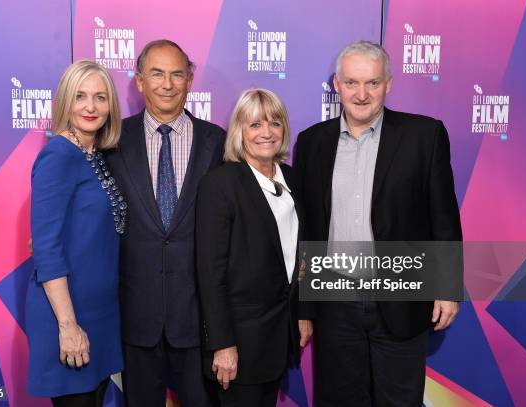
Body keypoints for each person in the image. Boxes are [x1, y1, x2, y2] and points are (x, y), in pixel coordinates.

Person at [294, 40, 462, 406]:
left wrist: (447, 286)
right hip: (335, 300)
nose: (361, 93)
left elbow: (444, 217)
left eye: (372, 83)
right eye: (352, 82)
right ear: (336, 85)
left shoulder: (424, 136)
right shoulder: (311, 143)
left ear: (389, 84)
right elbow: (307, 231)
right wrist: (304, 307)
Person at [104, 39, 225, 406]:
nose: (167, 84)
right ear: (139, 81)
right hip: (136, 317)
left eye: (176, 74)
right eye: (156, 74)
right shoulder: (112, 140)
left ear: (190, 79)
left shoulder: (217, 142)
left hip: (198, 318)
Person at [196, 88, 313, 407]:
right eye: (255, 125)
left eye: (274, 123)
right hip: (239, 342)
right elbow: (210, 274)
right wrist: (222, 345)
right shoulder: (220, 185)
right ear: (239, 132)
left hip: (280, 337)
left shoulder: (291, 178)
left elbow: (299, 252)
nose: (266, 132)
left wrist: (303, 313)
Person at [26, 59, 124, 406]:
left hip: (99, 315)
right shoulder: (58, 155)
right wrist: (68, 327)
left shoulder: (94, 155)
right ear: (65, 101)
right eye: (80, 96)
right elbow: (47, 250)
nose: (90, 107)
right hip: (68, 316)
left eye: (100, 97)